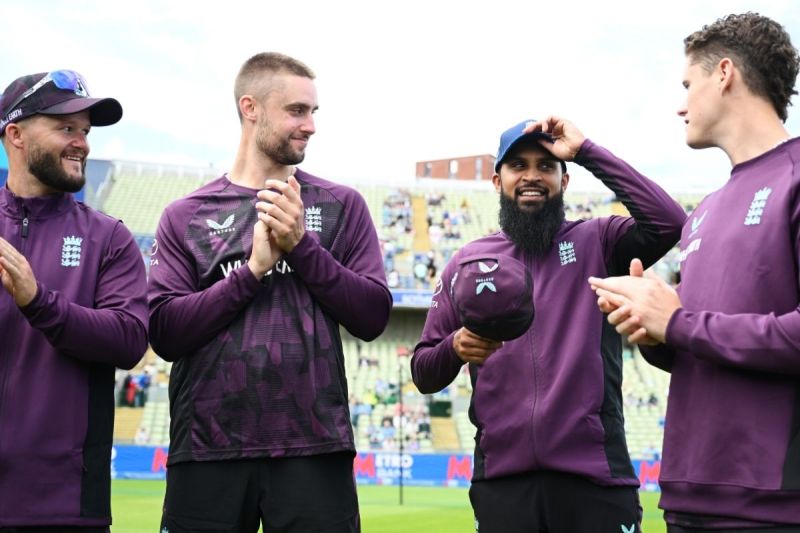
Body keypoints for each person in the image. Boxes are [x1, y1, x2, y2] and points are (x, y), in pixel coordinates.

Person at [148, 52, 391, 532]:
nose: (310, 126)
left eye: (313, 112)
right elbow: (165, 333)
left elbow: (372, 317)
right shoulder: (186, 215)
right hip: (207, 448)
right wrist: (252, 271)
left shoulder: (341, 205)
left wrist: (302, 247)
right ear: (251, 108)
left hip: (315, 448)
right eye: (297, 111)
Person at [411, 116, 686, 533]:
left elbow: (668, 221)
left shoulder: (598, 240)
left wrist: (586, 151)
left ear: (564, 179)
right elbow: (423, 371)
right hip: (503, 483)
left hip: (595, 478)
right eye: (518, 165)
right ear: (497, 181)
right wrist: (455, 347)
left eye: (546, 165)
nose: (532, 176)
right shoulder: (466, 263)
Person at [589, 13, 800, 531]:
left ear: (724, 73)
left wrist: (678, 323)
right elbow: (700, 341)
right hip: (687, 496)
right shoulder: (705, 210)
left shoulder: (795, 178)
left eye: (688, 85)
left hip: (772, 505)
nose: (681, 105)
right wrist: (653, 331)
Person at [0, 71, 148, 529]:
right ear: (16, 135)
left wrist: (38, 302)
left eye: (85, 131)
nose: (81, 143)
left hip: (66, 503)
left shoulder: (109, 237)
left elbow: (129, 340)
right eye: (66, 128)